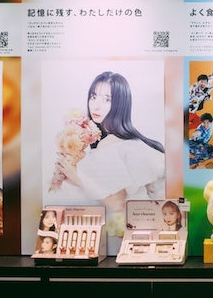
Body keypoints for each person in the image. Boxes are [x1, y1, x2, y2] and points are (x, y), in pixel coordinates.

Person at [55, 71, 165, 213]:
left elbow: (117, 203)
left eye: (107, 100)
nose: (96, 105)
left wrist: (77, 177)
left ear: (120, 104)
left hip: (135, 218)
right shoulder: (129, 140)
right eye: (93, 97)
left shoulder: (110, 144)